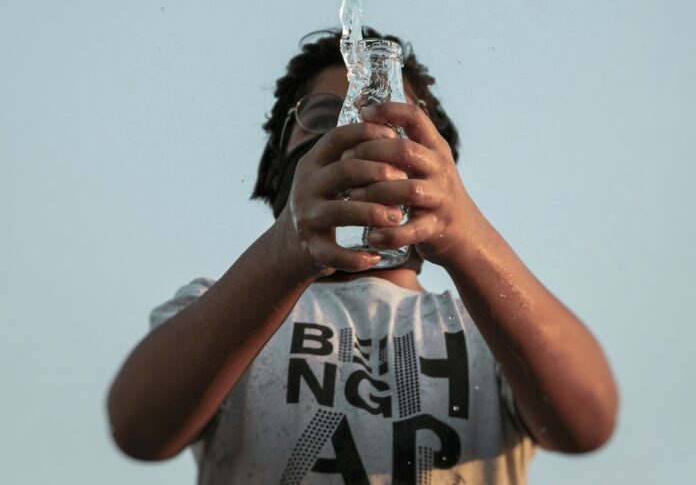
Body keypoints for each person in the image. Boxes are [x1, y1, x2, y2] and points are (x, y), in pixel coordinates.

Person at [107, 27, 619, 484]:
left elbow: (588, 420)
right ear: (280, 166)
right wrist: (286, 249)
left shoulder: (489, 328)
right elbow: (139, 427)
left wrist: (465, 236)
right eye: (324, 117)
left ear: (435, 168)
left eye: (389, 123)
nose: (350, 135)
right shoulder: (225, 312)